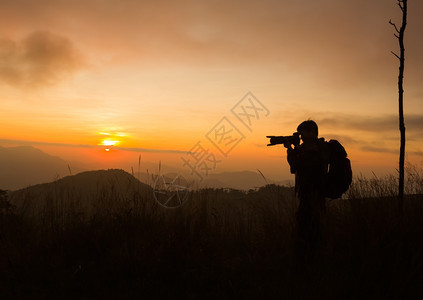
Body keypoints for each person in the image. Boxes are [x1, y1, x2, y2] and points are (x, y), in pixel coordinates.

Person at [284, 120, 330, 266]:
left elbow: (295, 166)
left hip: (311, 193)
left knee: (306, 227)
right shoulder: (317, 148)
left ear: (311, 132)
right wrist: (296, 148)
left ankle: (308, 262)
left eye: (302, 132)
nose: (301, 136)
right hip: (315, 192)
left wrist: (290, 151)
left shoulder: (313, 150)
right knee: (314, 226)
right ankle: (315, 259)